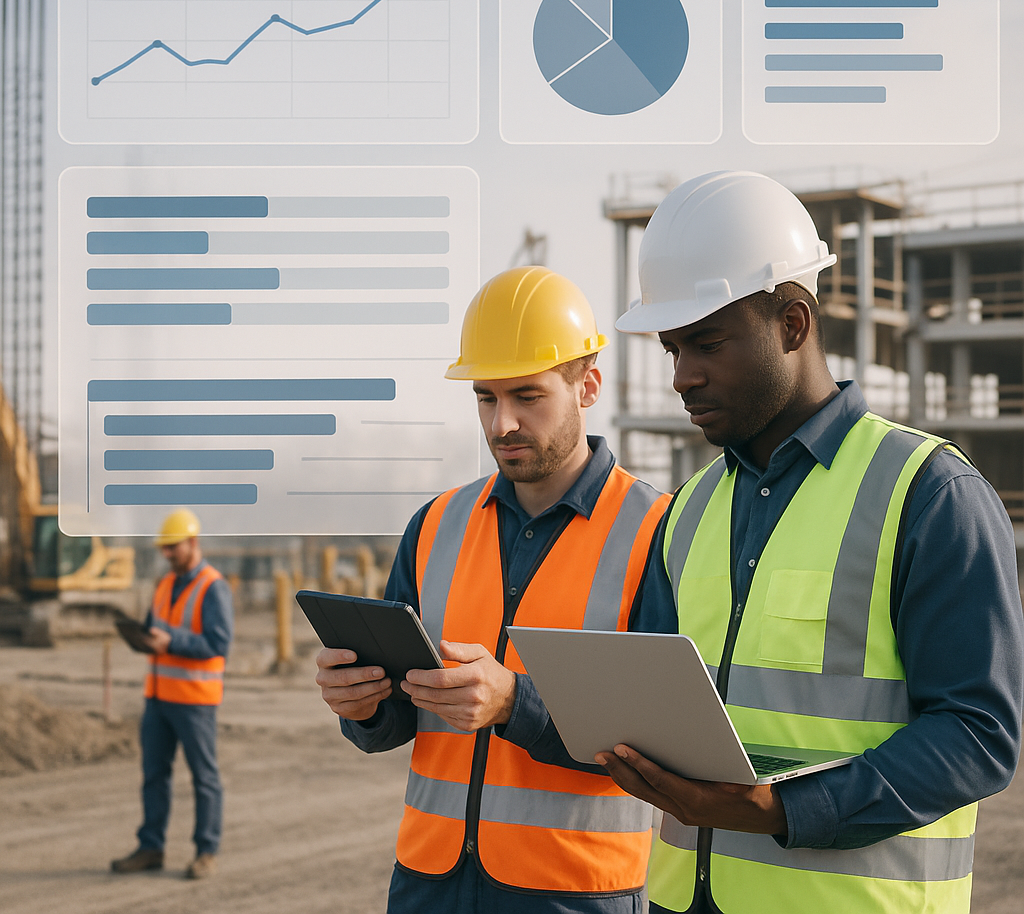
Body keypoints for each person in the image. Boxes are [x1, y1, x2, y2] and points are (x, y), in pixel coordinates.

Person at [597, 170, 1024, 914]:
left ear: (793, 323)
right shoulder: (689, 511)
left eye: (705, 343)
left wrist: (784, 810)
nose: (682, 377)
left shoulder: (930, 496)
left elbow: (978, 734)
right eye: (671, 349)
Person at [315, 266, 675, 913]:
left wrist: (515, 703)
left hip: (574, 892)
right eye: (486, 397)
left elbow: (663, 744)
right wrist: (362, 705)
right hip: (430, 881)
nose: (502, 422)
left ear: (586, 385)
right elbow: (396, 718)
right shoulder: (433, 526)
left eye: (527, 396)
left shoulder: (658, 531)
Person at [111, 508, 234, 880]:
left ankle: (206, 852)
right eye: (164, 548)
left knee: (204, 778)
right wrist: (143, 637)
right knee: (154, 775)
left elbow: (219, 643)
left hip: (195, 701)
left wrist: (171, 641)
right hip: (158, 697)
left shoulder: (214, 586)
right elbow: (154, 628)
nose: (167, 554)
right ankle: (151, 847)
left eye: (172, 547)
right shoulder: (165, 584)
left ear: (192, 543)